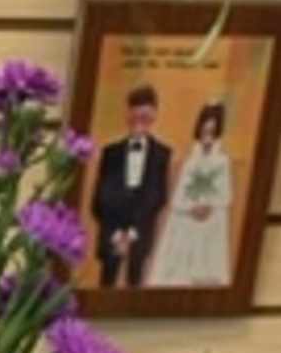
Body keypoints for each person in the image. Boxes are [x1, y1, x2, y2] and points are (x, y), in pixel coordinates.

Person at [92, 83, 172, 289]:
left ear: (154, 115)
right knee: (106, 284)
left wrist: (134, 233)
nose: (139, 122)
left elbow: (158, 196)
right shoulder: (111, 153)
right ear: (128, 114)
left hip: (141, 230)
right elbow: (101, 198)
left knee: (135, 284)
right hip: (112, 229)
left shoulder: (162, 154)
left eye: (145, 117)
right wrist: (117, 233)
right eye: (135, 115)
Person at [149, 102, 234, 288]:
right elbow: (178, 197)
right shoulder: (190, 162)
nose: (207, 138)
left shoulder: (222, 161)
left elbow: (226, 195)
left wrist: (208, 206)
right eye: (205, 132)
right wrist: (190, 207)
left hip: (210, 223)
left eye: (212, 133)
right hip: (187, 220)